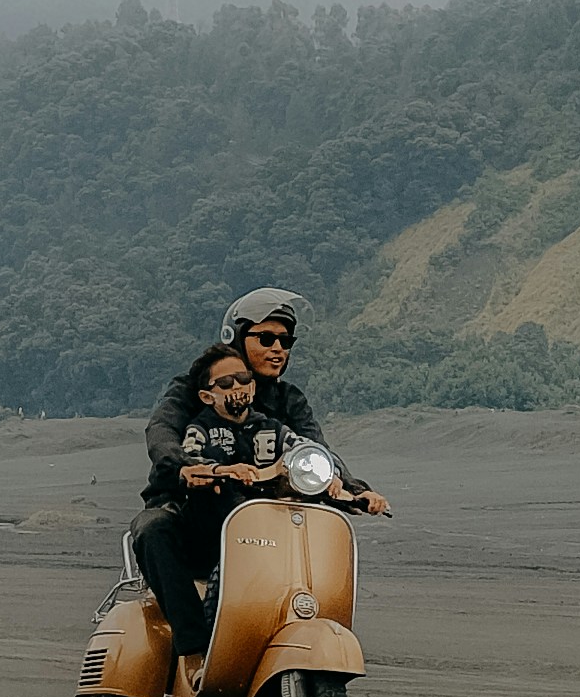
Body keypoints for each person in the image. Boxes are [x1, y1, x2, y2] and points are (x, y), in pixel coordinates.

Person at [138, 287, 393, 518]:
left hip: (273, 505)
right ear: (237, 338)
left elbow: (315, 449)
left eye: (285, 341)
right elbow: (162, 430)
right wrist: (187, 467)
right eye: (266, 339)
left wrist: (354, 488)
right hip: (192, 502)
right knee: (154, 529)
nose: (278, 348)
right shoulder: (194, 387)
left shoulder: (288, 399)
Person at [130, 344, 290, 676]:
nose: (238, 387)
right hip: (205, 525)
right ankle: (193, 649)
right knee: (153, 527)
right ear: (206, 395)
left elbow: (308, 446)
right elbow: (167, 440)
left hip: (266, 527)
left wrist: (345, 484)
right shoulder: (192, 418)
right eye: (227, 383)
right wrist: (200, 470)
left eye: (243, 378)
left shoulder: (274, 422)